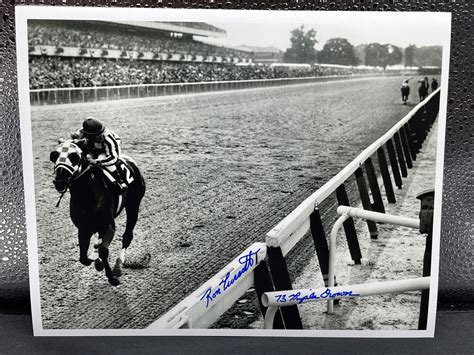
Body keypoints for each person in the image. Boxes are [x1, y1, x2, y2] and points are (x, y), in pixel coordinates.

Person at [70, 117, 128, 190]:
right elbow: (75, 139)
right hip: (91, 145)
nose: (100, 136)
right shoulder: (81, 132)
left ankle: (119, 181)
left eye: (100, 134)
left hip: (108, 149)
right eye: (96, 135)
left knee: (102, 158)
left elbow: (113, 157)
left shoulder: (108, 138)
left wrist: (97, 161)